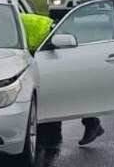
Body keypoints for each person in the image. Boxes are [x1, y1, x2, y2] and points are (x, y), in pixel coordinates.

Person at [22, 10, 105, 146]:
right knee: (49, 89)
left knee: (61, 86)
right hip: (43, 42)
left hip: (49, 40)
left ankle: (91, 122)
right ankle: (54, 134)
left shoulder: (4, 21)